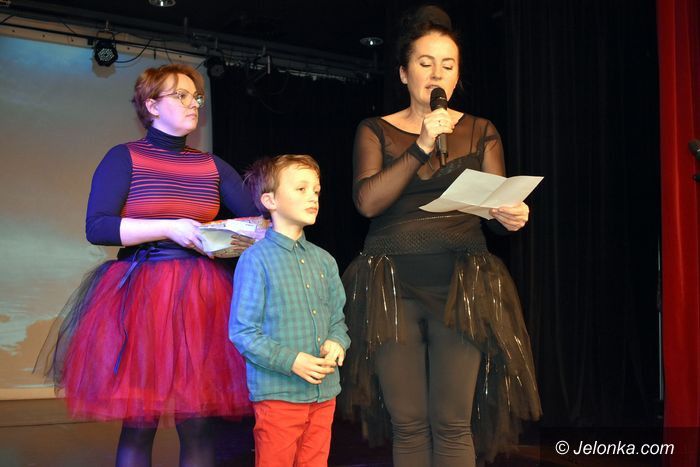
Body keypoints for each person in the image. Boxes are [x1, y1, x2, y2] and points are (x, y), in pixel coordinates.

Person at [339, 5, 542, 466]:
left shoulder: (481, 131)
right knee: (409, 424)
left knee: (452, 423)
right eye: (426, 63)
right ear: (404, 72)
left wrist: (509, 215)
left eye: (448, 66)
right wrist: (421, 145)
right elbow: (367, 202)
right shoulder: (374, 130)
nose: (437, 74)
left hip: (462, 282)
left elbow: (494, 206)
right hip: (391, 285)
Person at [38, 64, 259, 467]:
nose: (194, 104)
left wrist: (219, 238)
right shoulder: (125, 157)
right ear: (152, 105)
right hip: (144, 295)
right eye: (181, 95)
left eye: (197, 97)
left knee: (197, 424)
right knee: (140, 423)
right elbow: (98, 227)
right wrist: (169, 227)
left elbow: (255, 223)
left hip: (202, 298)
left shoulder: (212, 165)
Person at [229, 154, 351, 467]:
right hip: (279, 395)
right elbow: (243, 332)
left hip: (324, 393)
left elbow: (338, 318)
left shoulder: (324, 260)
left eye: (316, 190)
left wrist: (337, 341)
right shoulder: (256, 260)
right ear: (269, 200)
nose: (313, 197)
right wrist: (292, 360)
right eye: (301, 189)